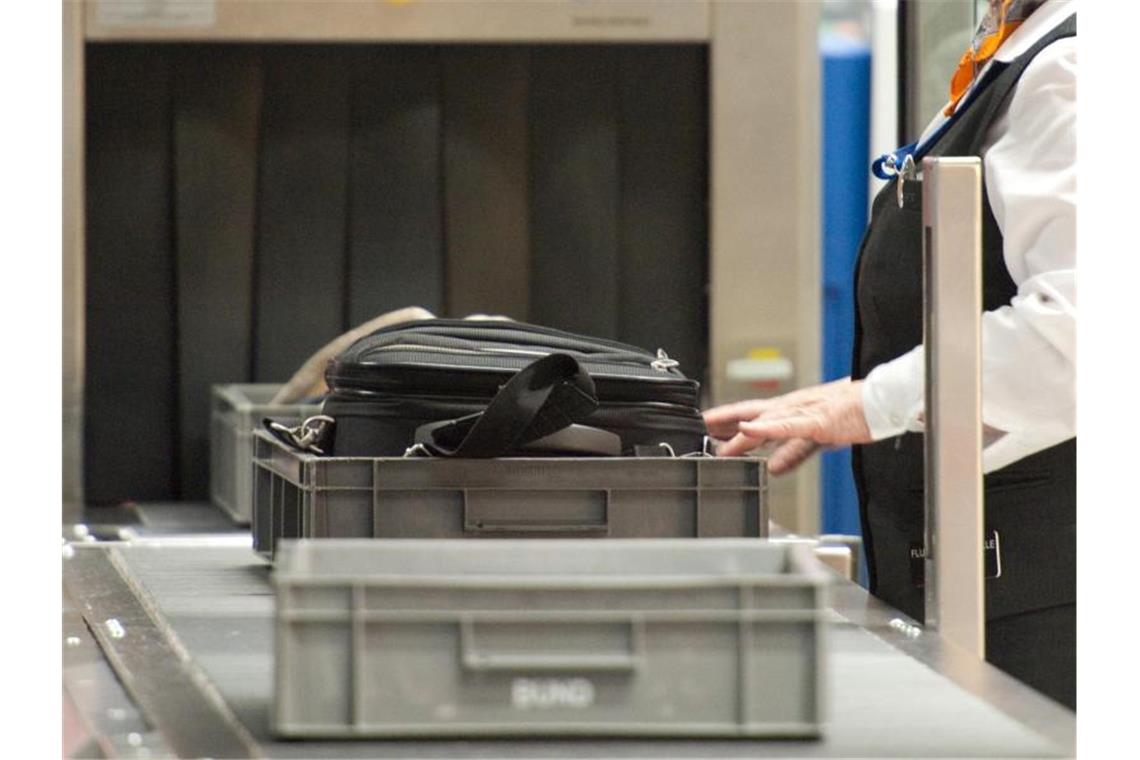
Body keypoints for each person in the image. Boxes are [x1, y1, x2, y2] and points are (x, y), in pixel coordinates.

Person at [703, 0, 1076, 709]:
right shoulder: (1010, 56)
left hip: (1048, 617)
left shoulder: (1069, 68)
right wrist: (840, 400)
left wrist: (871, 403)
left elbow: (1079, 335)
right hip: (987, 591)